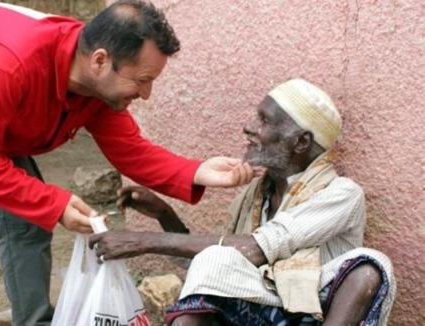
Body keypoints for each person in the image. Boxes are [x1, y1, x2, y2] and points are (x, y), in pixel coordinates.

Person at [0, 1, 261, 325]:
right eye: (141, 81)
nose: (146, 94)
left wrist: (196, 171)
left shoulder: (95, 86)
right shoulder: (8, 64)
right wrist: (54, 203)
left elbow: (130, 149)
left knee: (27, 227)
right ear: (100, 60)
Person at [90, 79, 396, 325]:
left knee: (371, 266)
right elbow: (212, 262)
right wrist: (163, 213)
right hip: (260, 308)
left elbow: (254, 248)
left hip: (312, 312)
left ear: (300, 142)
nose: (248, 128)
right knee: (215, 262)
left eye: (263, 120)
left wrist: (142, 241)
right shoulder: (257, 194)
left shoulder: (341, 193)